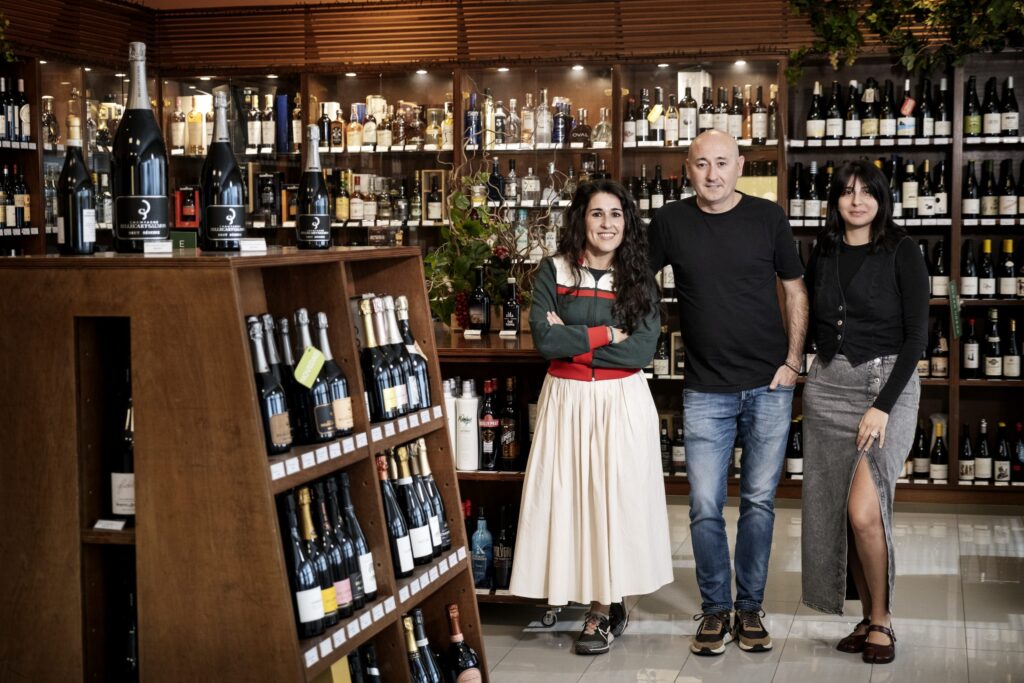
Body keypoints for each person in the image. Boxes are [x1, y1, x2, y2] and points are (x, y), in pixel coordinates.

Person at [648, 129, 808, 656]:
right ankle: (716, 610)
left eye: (722, 162)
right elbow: (634, 282)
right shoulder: (670, 222)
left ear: (741, 165)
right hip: (704, 390)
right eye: (701, 164)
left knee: (759, 503)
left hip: (768, 385)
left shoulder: (768, 218)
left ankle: (750, 609)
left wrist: (793, 361)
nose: (712, 174)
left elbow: (794, 289)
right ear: (686, 169)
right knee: (703, 506)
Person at [509, 179, 673, 656]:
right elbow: (545, 341)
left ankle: (602, 611)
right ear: (582, 218)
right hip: (567, 401)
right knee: (571, 500)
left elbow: (642, 350)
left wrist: (576, 339)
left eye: (617, 215)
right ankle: (578, 595)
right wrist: (607, 334)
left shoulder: (638, 278)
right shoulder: (553, 270)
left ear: (628, 222)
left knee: (613, 502)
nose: (607, 224)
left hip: (621, 403)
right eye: (598, 214)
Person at [801, 160, 928, 665]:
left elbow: (917, 337)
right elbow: (810, 317)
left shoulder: (903, 251)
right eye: (846, 192)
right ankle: (865, 614)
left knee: (863, 510)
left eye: (866, 192)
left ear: (881, 198)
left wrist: (881, 407)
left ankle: (883, 619)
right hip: (829, 387)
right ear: (834, 200)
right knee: (840, 513)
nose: (856, 200)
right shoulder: (824, 252)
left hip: (886, 386)